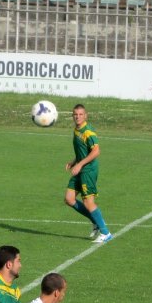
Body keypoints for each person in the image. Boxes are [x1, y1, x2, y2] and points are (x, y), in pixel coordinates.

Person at [64, 104, 113, 244]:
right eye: (75, 114)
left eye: (80, 114)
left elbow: (96, 151)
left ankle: (106, 233)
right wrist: (74, 161)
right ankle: (95, 221)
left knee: (88, 202)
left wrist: (79, 164)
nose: (77, 117)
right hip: (80, 168)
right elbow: (82, 150)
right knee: (69, 199)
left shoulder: (88, 132)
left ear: (86, 115)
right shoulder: (76, 129)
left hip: (88, 170)